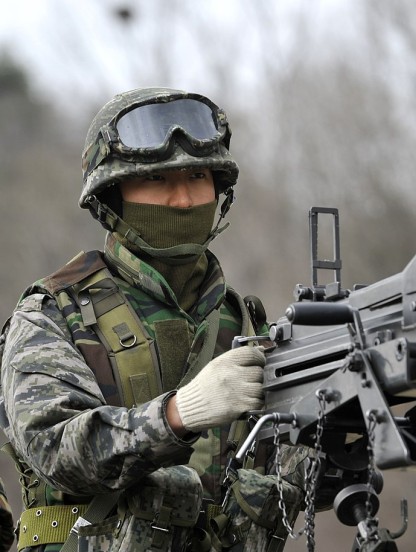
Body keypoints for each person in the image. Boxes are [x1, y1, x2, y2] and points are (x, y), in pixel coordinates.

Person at [0, 88, 306, 551]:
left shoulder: (245, 325)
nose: (183, 200)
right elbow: (54, 447)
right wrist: (180, 414)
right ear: (113, 196)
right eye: (158, 179)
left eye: (198, 176)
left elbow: (295, 484)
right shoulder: (54, 314)